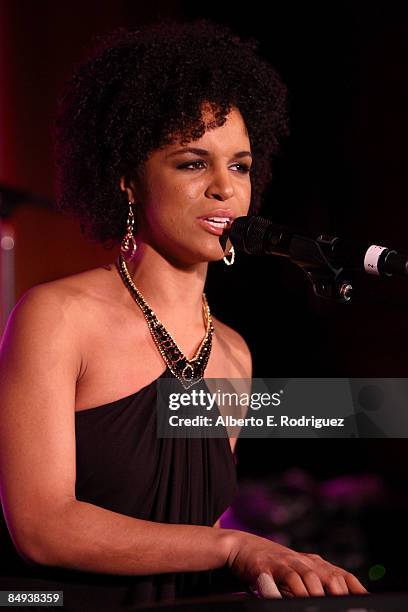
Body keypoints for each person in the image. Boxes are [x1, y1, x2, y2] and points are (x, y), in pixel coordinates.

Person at [0, 18, 368, 607]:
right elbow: (43, 527)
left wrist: (282, 565)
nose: (227, 188)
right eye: (193, 163)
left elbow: (190, 534)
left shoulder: (233, 352)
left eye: (241, 166)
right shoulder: (58, 317)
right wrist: (235, 548)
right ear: (127, 181)